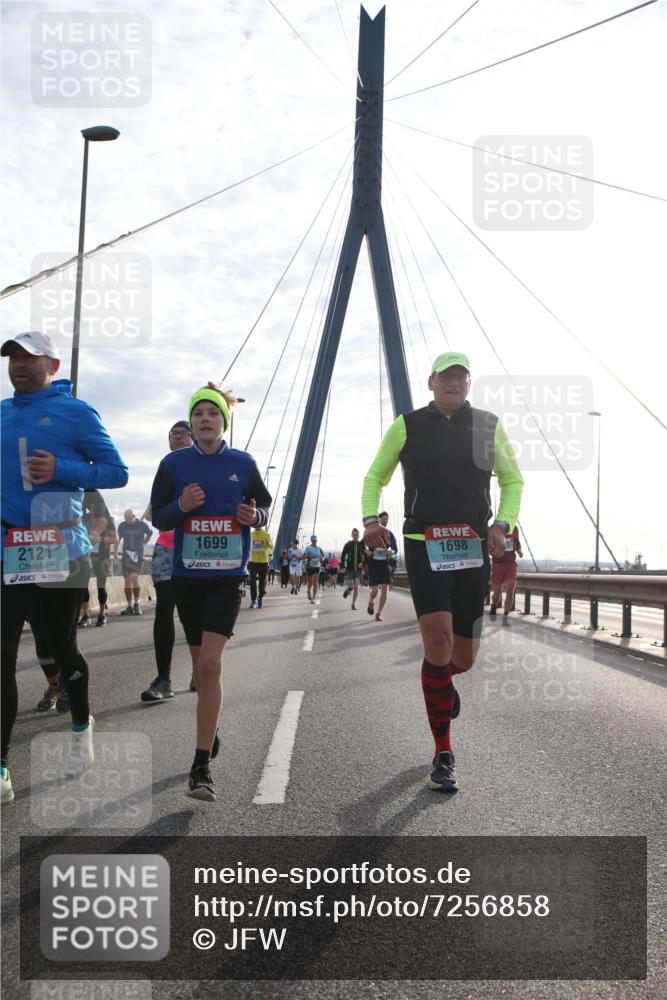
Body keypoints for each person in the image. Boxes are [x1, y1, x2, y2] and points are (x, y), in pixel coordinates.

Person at [362, 352, 523, 793]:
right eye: (446, 377)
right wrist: (371, 520)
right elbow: (375, 475)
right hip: (423, 548)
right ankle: (443, 753)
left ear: (468, 385)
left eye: (461, 377)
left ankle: (440, 683)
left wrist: (501, 524)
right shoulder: (407, 425)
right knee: (438, 644)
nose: (453, 383)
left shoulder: (488, 426)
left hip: (473, 552)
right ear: (431, 382)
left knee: (463, 659)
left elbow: (513, 481)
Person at [1, 331, 128, 804]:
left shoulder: (77, 412)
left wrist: (63, 471)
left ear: (52, 365)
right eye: (12, 355)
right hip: (8, 548)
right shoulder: (1, 412)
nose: (18, 363)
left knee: (60, 649)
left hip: (62, 549)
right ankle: (1, 768)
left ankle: (80, 725)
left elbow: (116, 473)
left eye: (29, 356)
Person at [150, 382, 271, 801]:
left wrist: (253, 515)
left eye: (213, 414)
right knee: (201, 671)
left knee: (211, 666)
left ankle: (200, 767)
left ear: (225, 421)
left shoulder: (243, 462)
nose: (205, 419)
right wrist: (181, 506)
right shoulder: (173, 465)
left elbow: (265, 509)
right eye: (198, 413)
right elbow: (160, 519)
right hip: (186, 576)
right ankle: (211, 726)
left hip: (226, 577)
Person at [140, 420, 195, 703]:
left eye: (185, 433)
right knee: (164, 610)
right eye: (174, 434)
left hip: (198, 551)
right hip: (166, 550)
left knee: (194, 613)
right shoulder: (166, 468)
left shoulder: (203, 467)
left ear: (194, 438)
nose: (179, 437)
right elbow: (154, 514)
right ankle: (163, 679)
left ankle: (200, 669)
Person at [77, 489, 111, 627]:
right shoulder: (82, 518)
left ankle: (102, 614)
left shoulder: (108, 520)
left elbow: (114, 538)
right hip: (86, 554)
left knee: (100, 587)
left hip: (101, 554)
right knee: (82, 585)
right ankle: (86, 615)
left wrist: (98, 537)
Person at [116, 509, 152, 615]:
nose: (127, 520)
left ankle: (136, 604)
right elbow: (118, 539)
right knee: (127, 581)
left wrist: (143, 544)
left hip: (137, 555)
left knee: (134, 578)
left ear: (134, 516)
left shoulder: (142, 525)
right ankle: (130, 606)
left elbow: (149, 534)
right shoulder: (122, 526)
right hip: (126, 555)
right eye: (125, 518)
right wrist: (116, 554)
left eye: (129, 518)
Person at [366, 511, 397, 622]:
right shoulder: (371, 532)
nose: (386, 521)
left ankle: (378, 613)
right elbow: (361, 544)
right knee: (374, 591)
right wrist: (366, 551)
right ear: (379, 520)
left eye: (387, 519)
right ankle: (371, 601)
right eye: (384, 519)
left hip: (384, 565)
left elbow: (394, 548)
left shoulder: (389, 534)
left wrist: (391, 552)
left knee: (385, 590)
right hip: (373, 565)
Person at [489, 524, 523, 625]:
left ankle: (505, 617)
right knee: (497, 594)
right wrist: (494, 551)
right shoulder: (494, 528)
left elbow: (517, 542)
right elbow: (489, 546)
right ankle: (494, 605)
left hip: (511, 564)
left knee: (510, 591)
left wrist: (519, 551)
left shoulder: (514, 528)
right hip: (498, 564)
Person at [248, 525, 273, 609]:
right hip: (253, 561)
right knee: (252, 581)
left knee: (262, 582)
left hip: (263, 562)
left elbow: (271, 546)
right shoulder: (251, 534)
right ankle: (253, 601)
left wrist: (266, 543)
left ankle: (260, 597)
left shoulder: (266, 534)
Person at [341, 528, 365, 610]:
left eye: (357, 534)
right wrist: (343, 567)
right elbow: (343, 556)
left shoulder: (361, 544)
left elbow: (365, 555)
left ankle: (353, 604)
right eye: (354, 534)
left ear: (359, 535)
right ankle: (348, 590)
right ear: (352, 535)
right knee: (351, 586)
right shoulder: (348, 544)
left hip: (358, 569)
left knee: (356, 586)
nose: (355, 536)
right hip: (350, 569)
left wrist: (363, 563)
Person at [303, 535, 324, 603]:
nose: (315, 541)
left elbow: (322, 556)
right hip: (309, 566)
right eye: (313, 540)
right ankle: (308, 591)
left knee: (315, 582)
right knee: (310, 582)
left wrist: (321, 559)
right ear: (311, 540)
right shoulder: (308, 548)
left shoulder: (319, 548)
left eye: (315, 540)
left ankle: (313, 598)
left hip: (317, 566)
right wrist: (308, 556)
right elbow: (305, 555)